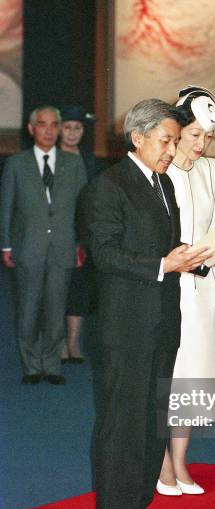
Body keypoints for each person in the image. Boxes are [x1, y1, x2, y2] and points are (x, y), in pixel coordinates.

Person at [84, 98, 211, 509]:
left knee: (152, 420)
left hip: (161, 321)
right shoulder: (108, 187)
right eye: (166, 140)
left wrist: (202, 258)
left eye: (176, 141)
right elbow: (106, 254)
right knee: (123, 421)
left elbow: (169, 247)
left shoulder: (163, 185)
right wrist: (162, 264)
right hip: (126, 325)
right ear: (137, 138)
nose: (172, 149)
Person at [157, 86, 215, 496]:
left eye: (208, 137)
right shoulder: (160, 169)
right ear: (177, 131)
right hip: (168, 289)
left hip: (202, 289)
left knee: (194, 380)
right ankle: (162, 464)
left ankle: (181, 461)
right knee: (167, 377)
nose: (202, 145)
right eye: (194, 136)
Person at [0, 105, 87, 385]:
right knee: (28, 309)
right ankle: (31, 365)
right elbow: (6, 208)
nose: (48, 130)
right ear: (31, 129)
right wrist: (6, 245)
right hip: (28, 248)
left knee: (55, 308)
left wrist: (79, 244)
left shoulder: (73, 164)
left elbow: (83, 209)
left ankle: (52, 365)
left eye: (54, 125)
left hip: (62, 248)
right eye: (42, 124)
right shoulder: (16, 164)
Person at [59, 105, 96, 364]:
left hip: (82, 235)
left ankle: (73, 342)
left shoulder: (87, 158)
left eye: (78, 128)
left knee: (78, 291)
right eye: (67, 127)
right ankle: (57, 342)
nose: (72, 133)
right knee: (54, 291)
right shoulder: (48, 157)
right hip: (55, 235)